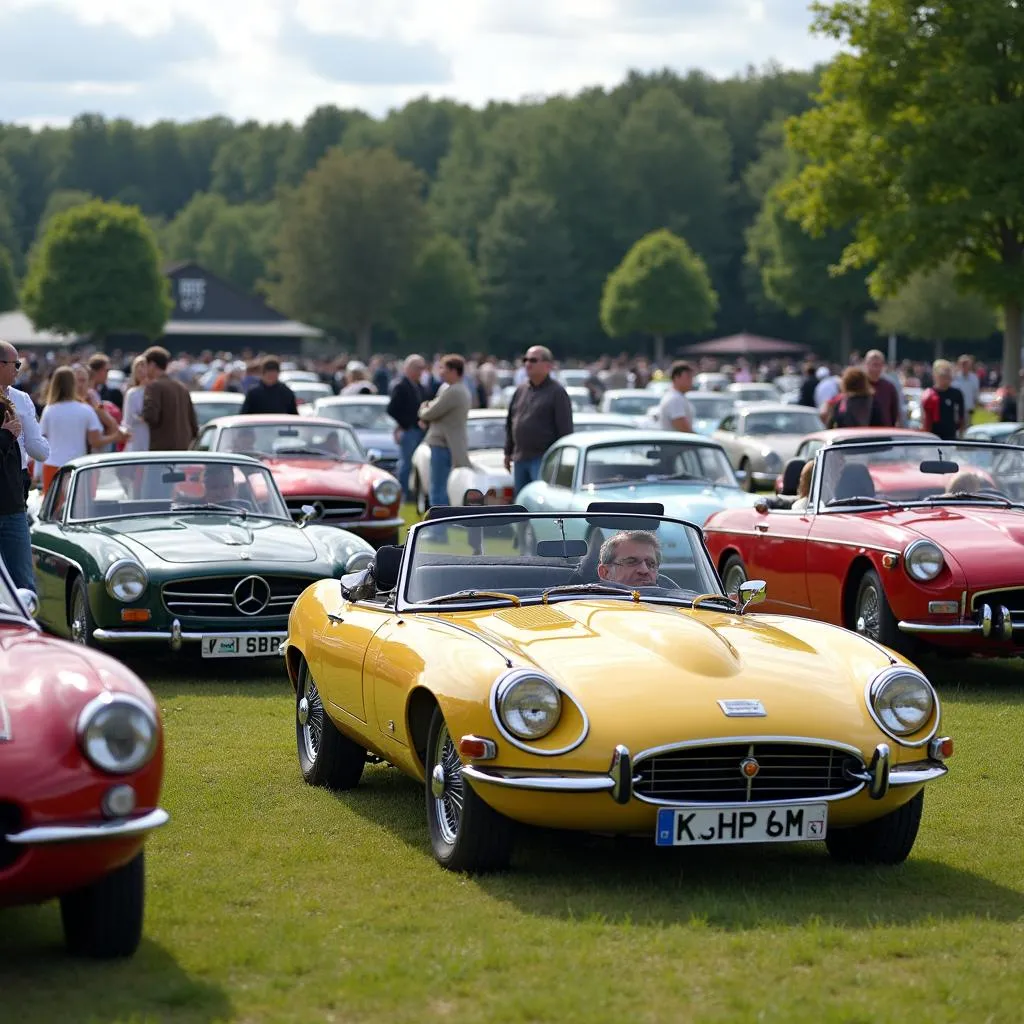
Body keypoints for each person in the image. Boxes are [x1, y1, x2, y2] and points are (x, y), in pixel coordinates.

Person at [39, 367, 123, 495]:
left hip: (54, 466)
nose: (81, 385)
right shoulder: (85, 409)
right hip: (79, 466)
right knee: (81, 511)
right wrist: (116, 437)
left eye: (84, 380)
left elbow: (42, 439)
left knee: (53, 511)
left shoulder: (49, 409)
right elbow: (96, 440)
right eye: (78, 381)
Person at [503, 346, 574, 493]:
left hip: (543, 460)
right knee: (521, 506)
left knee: (540, 504)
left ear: (548, 365)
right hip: (520, 458)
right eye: (526, 360)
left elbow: (565, 430)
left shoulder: (557, 392)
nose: (528, 364)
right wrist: (508, 452)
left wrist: (561, 461)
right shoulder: (521, 390)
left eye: (533, 360)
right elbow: (511, 422)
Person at [418, 354, 470, 508]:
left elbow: (429, 412)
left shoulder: (454, 391)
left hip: (442, 445)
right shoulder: (457, 389)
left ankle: (439, 530)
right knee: (440, 488)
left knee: (437, 489)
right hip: (448, 444)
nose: (440, 373)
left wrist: (423, 408)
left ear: (454, 371)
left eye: (444, 369)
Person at [0, 340, 49, 500]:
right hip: (14, 479)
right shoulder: (21, 399)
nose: (18, 370)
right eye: (16, 364)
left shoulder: (21, 398)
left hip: (17, 478)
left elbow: (39, 451)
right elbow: (38, 450)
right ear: (1, 364)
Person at [387, 354, 427, 503]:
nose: (421, 371)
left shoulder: (420, 387)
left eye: (422, 368)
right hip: (409, 430)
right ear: (408, 368)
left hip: (419, 430)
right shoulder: (401, 386)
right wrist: (406, 424)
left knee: (417, 463)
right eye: (418, 368)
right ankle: (402, 494)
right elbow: (392, 409)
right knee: (406, 464)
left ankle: (414, 493)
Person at [142, 346, 199, 451]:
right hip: (183, 449)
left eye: (145, 365)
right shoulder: (182, 388)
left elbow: (151, 416)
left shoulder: (154, 387)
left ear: (152, 365)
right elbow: (194, 425)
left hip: (161, 452)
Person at [596, 530, 662, 588]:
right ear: (605, 573)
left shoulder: (669, 599)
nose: (644, 570)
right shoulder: (590, 601)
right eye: (631, 562)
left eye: (651, 564)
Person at [921, 360, 965, 441]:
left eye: (949, 376)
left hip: (951, 436)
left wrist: (961, 434)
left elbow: (961, 416)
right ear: (935, 376)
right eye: (943, 376)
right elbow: (924, 420)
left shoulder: (956, 394)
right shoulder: (929, 394)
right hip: (933, 436)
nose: (947, 379)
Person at [863, 350, 902, 427]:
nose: (876, 368)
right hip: (862, 433)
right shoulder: (859, 385)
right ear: (866, 364)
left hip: (884, 432)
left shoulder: (889, 387)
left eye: (879, 365)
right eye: (874, 364)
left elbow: (894, 412)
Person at [121, 355, 150, 453]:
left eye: (144, 366)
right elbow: (127, 420)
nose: (142, 370)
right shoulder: (132, 393)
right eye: (138, 368)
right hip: (136, 437)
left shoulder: (155, 391)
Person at [657, 361, 695, 432]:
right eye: (688, 377)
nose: (691, 381)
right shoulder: (675, 399)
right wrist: (700, 440)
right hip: (676, 442)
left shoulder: (676, 396)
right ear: (676, 377)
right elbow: (683, 428)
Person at [951, 354, 981, 428]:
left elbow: (975, 393)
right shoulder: (954, 378)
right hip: (956, 410)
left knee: (967, 430)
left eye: (966, 364)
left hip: (968, 409)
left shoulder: (974, 378)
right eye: (962, 364)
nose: (964, 366)